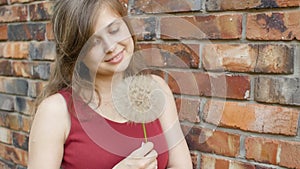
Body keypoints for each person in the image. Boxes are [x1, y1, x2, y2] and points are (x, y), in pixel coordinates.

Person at [28, 0, 193, 168]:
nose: (110, 46)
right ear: (76, 52)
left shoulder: (156, 90)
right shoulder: (55, 111)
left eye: (114, 30)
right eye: (93, 42)